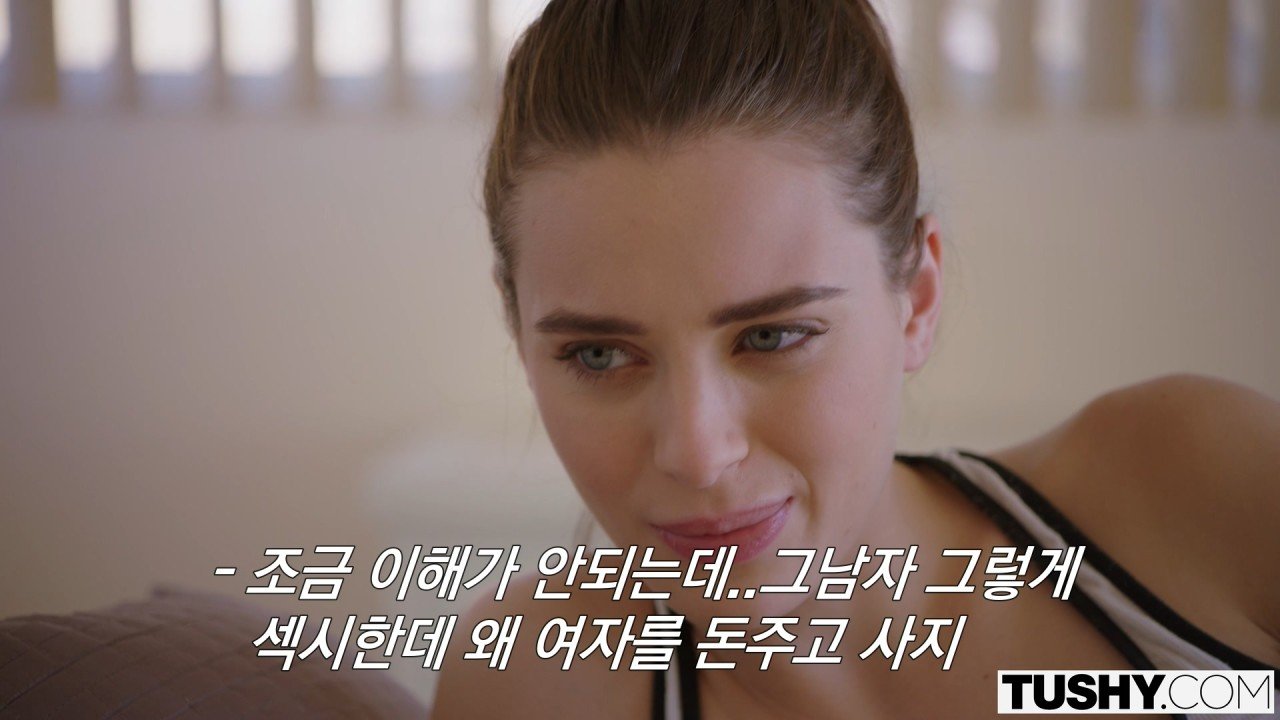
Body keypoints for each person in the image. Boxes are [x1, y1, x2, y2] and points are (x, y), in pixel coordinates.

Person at [433, 1, 1280, 717]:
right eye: (599, 354)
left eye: (772, 336)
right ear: (519, 336)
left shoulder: (1194, 491)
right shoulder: (535, 685)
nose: (696, 452)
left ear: (917, 296)